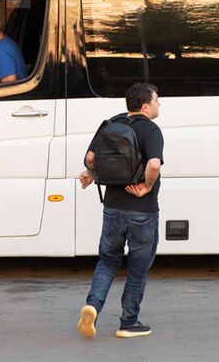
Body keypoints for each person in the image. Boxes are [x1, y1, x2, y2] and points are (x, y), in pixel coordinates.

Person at [77, 82, 164, 340]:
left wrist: (92, 174)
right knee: (137, 270)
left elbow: (91, 159)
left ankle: (93, 305)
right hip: (142, 212)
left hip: (113, 207)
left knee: (107, 261)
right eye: (157, 100)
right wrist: (146, 187)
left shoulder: (111, 123)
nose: (159, 104)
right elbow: (154, 164)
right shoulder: (150, 129)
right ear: (145, 105)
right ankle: (128, 323)